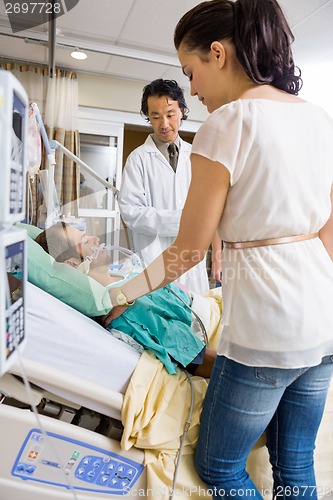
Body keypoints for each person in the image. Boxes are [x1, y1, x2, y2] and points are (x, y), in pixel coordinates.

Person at [105, 0, 333, 498]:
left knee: (219, 466)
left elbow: (186, 252)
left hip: (267, 329)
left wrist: (122, 294)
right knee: (295, 466)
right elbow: (330, 231)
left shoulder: (227, 124)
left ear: (216, 54)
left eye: (191, 73)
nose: (192, 90)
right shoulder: (319, 118)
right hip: (322, 321)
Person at [34, 221, 217, 378]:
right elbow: (200, 360)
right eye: (84, 241)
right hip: (216, 327)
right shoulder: (126, 312)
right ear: (73, 264)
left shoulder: (123, 274)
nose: (96, 239)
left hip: (214, 304)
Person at [118, 78, 215, 293]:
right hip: (154, 258)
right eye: (155, 116)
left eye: (170, 114)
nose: (164, 124)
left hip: (191, 261)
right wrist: (182, 220)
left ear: (181, 111)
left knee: (196, 318)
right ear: (148, 118)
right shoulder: (138, 159)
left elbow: (210, 207)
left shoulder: (197, 156)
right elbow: (130, 212)